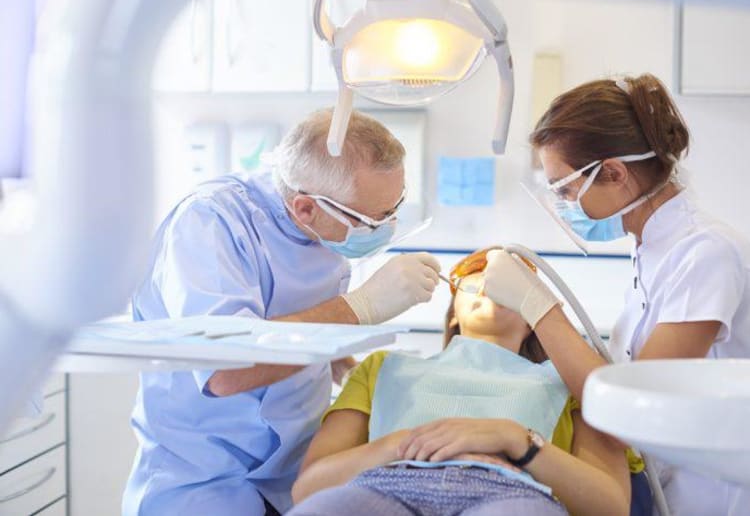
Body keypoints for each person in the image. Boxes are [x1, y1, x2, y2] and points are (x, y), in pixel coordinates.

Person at [122, 109, 442, 515]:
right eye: (372, 220)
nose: (387, 227)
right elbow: (227, 370)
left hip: (292, 473)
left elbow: (298, 319)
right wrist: (361, 307)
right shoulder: (209, 223)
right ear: (305, 208)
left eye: (395, 208)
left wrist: (347, 366)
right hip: (203, 478)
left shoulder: (326, 228)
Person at [484, 73, 750, 515]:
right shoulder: (652, 249)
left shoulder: (706, 252)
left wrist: (538, 306)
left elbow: (635, 407)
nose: (565, 203)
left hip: (715, 496)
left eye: (566, 188)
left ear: (613, 172)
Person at [288, 248, 638, 516]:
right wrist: (402, 445)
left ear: (533, 316)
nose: (488, 283)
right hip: (387, 484)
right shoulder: (382, 369)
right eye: (475, 276)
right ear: (453, 310)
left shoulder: (572, 385)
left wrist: (516, 441)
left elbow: (610, 506)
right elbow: (308, 489)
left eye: (510, 285)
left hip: (510, 494)